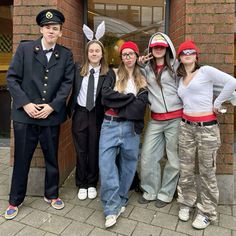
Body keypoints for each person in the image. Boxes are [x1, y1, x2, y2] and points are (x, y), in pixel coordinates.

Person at [5, 9, 74, 220]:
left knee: (51, 157)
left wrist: (52, 106)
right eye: (47, 27)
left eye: (55, 28)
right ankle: (15, 200)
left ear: (61, 32)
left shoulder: (65, 54)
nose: (51, 31)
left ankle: (51, 194)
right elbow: (12, 78)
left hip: (50, 116)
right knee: (22, 159)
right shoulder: (25, 49)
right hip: (25, 116)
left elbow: (67, 83)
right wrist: (25, 103)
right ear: (41, 29)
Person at [176, 40, 236, 229]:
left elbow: (232, 82)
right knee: (185, 169)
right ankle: (186, 202)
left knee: (207, 172)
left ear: (196, 56)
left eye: (191, 51)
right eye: (183, 52)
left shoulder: (205, 71)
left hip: (206, 129)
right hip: (186, 127)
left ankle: (207, 212)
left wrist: (217, 104)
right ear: (179, 57)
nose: (187, 54)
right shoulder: (180, 79)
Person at [99, 41, 148, 228]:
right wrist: (129, 98)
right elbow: (106, 96)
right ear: (121, 57)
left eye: (131, 54)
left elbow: (140, 107)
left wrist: (119, 105)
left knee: (128, 166)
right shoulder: (112, 74)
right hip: (109, 126)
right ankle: (111, 208)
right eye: (124, 54)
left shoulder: (142, 77)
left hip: (131, 128)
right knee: (106, 165)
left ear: (136, 56)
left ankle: (120, 199)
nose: (127, 57)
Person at [138, 32, 182, 208]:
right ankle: (150, 190)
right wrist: (140, 63)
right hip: (156, 119)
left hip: (175, 118)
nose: (158, 49)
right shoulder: (146, 69)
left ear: (167, 48)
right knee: (148, 156)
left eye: (161, 46)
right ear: (150, 48)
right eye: (155, 46)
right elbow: (129, 70)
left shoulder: (176, 66)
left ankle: (166, 193)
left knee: (173, 158)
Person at [68, 25, 109, 200]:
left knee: (94, 149)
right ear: (87, 53)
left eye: (97, 50)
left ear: (102, 54)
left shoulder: (107, 73)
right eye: (91, 50)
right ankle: (81, 183)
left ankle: (92, 182)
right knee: (81, 150)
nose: (94, 53)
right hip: (80, 114)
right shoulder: (78, 70)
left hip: (97, 115)